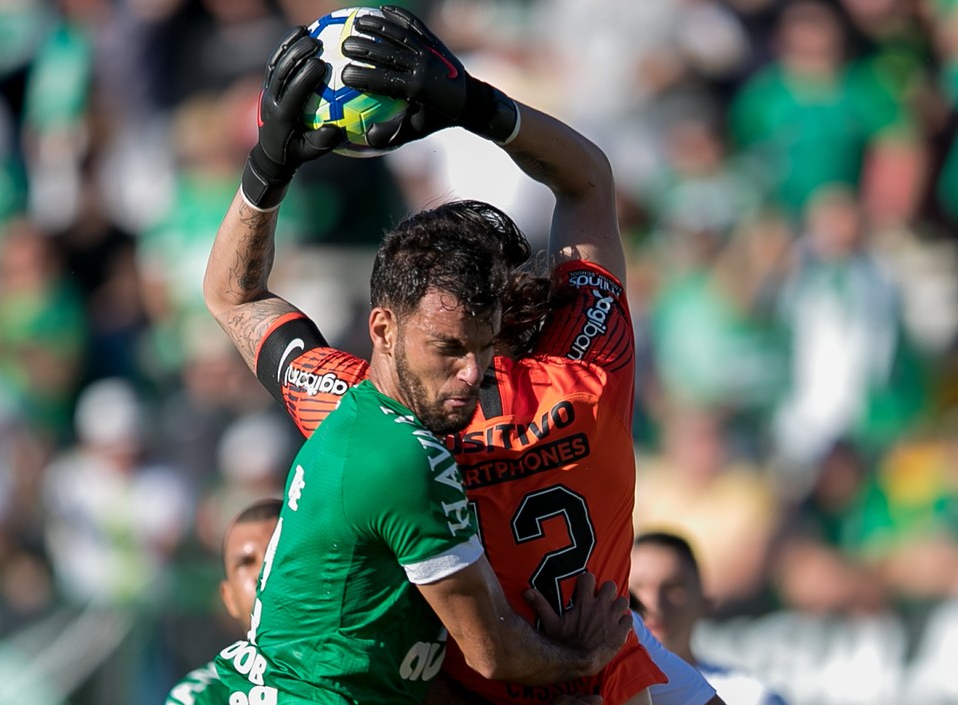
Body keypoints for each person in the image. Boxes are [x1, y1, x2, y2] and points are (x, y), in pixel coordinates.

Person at [203, 6, 720, 705]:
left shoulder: (366, 406)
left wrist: (269, 163)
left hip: (517, 675)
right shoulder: (592, 366)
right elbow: (588, 181)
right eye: (449, 348)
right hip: (606, 662)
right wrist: (475, 105)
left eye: (465, 345)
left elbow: (235, 297)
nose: (467, 374)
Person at [631, 532, 790, 705]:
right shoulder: (602, 690)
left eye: (673, 588)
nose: (654, 603)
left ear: (704, 602)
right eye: (638, 587)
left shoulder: (751, 696)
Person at [165, 497, 282, 705]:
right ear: (229, 598)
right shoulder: (201, 698)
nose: (263, 572)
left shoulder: (355, 673)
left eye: (277, 554)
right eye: (246, 562)